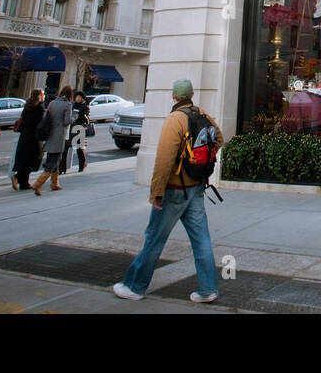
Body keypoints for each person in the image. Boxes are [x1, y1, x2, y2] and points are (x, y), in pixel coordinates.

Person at [113, 79, 223, 303]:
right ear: (191, 94)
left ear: (173, 96)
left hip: (174, 189)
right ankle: (207, 289)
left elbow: (164, 161)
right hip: (196, 187)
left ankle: (135, 286)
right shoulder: (202, 114)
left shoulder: (175, 120)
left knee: (154, 238)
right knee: (201, 238)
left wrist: (156, 192)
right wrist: (197, 160)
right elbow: (219, 138)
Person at [32, 86, 73, 195]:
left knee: (54, 159)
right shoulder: (68, 105)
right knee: (53, 161)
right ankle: (38, 184)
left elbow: (48, 117)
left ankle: (54, 183)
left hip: (50, 133)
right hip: (59, 135)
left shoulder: (52, 103)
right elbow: (66, 121)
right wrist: (73, 119)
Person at [11, 89, 45, 190]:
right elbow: (40, 123)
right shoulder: (40, 107)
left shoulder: (27, 106)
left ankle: (24, 183)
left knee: (24, 158)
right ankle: (17, 177)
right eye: (43, 94)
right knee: (33, 158)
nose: (44, 96)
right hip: (34, 137)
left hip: (24, 135)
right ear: (40, 96)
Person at [61, 91, 90, 175]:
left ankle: (82, 165)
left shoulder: (85, 107)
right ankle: (62, 168)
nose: (77, 98)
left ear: (82, 98)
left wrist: (82, 116)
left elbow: (87, 119)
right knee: (65, 148)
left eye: (79, 97)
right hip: (71, 129)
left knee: (79, 148)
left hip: (79, 128)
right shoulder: (72, 105)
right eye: (76, 97)